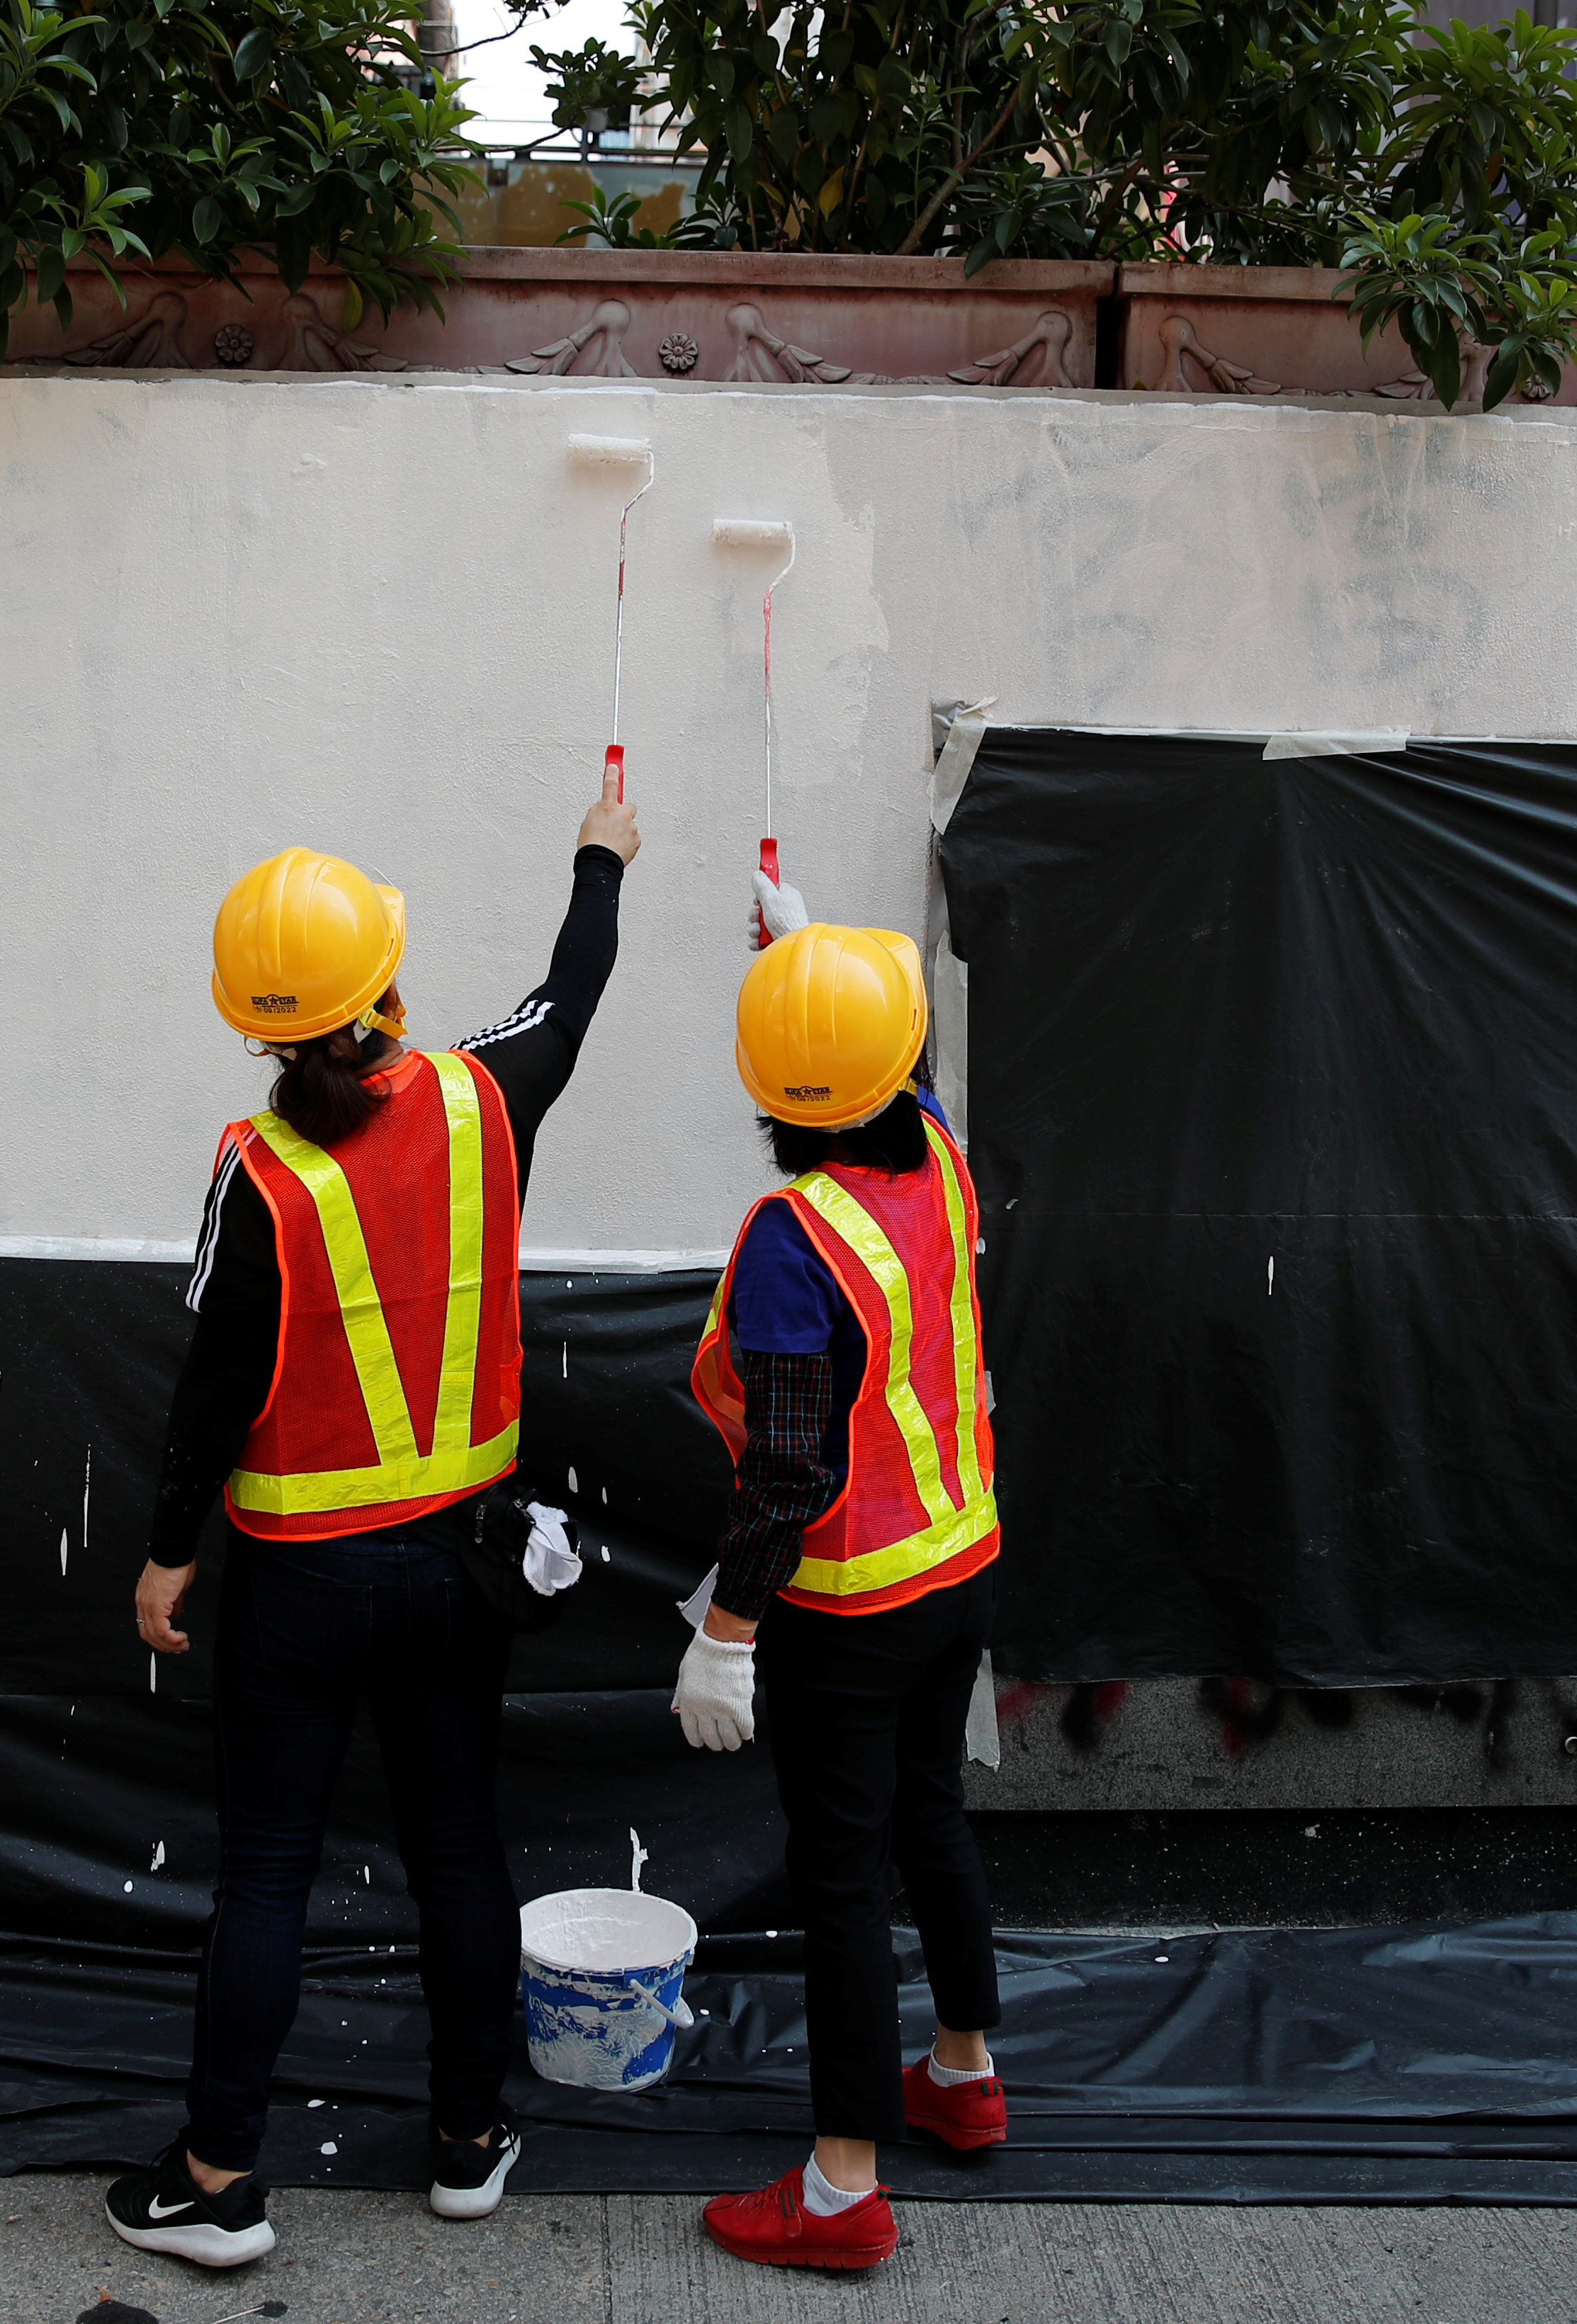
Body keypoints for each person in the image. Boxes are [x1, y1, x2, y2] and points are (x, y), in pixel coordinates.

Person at [106, 776, 638, 2271]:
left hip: (298, 1583)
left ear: (261, 1024)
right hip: (459, 1567)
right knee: (459, 1850)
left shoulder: (258, 1172)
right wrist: (599, 858)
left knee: (268, 1869)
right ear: (386, 987)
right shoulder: (484, 1095)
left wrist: (166, 1551)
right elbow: (572, 990)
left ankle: (218, 2183)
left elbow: (210, 1390)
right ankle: (470, 2141)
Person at [670, 882, 1005, 2273]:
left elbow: (791, 1470)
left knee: (845, 1882)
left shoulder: (793, 1243)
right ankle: (966, 2075)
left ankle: (842, 2188)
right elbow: (894, 1062)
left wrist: (726, 1634)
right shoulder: (937, 1150)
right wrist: (810, 956)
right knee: (934, 1821)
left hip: (852, 1610)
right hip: (961, 1566)